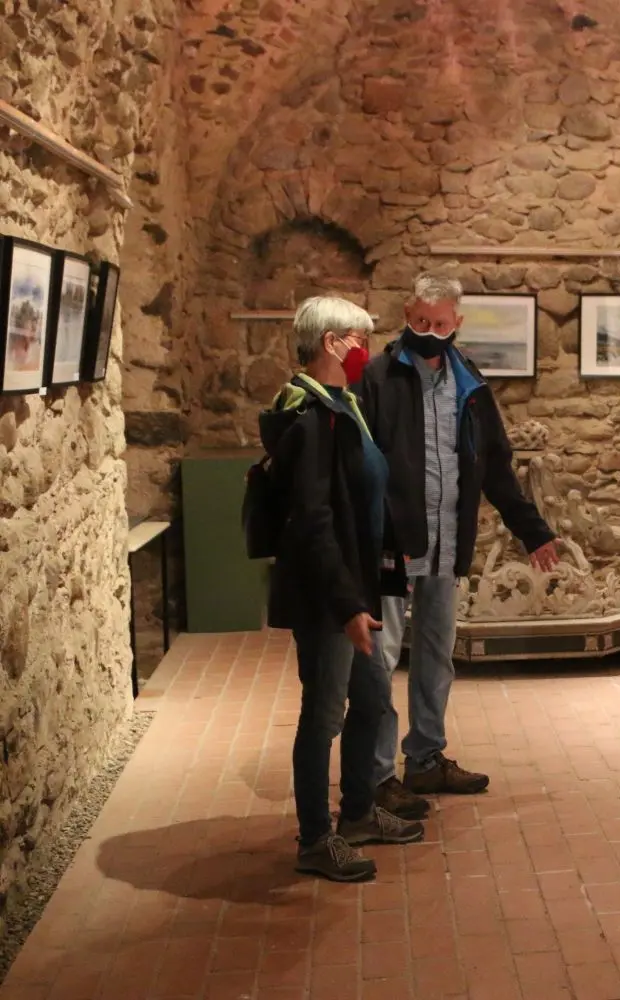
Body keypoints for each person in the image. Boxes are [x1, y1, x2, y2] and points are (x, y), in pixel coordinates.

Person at [358, 273, 560, 819]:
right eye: (420, 322)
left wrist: (532, 531)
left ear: (457, 322)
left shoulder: (468, 379)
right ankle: (376, 778)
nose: (429, 332)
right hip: (393, 546)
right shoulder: (377, 378)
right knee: (380, 661)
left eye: (440, 324)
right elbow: (363, 467)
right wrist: (374, 537)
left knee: (436, 655)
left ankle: (424, 757)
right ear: (407, 311)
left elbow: (495, 464)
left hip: (447, 545)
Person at [261, 296, 424, 882]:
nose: (368, 350)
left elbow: (361, 495)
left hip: (353, 587)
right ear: (332, 343)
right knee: (324, 713)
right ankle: (315, 840)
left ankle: (357, 813)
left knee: (375, 699)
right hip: (329, 597)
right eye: (361, 338)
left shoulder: (341, 405)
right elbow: (312, 520)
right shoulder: (310, 417)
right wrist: (348, 604)